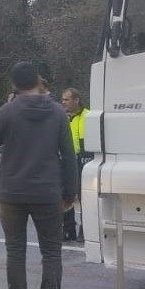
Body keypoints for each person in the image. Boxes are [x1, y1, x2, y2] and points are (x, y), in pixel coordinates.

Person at [0, 62, 77, 289]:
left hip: (12, 192)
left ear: (14, 84)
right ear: (37, 80)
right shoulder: (58, 112)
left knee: (15, 251)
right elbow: (68, 155)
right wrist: (70, 191)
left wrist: (5, 106)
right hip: (47, 191)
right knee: (51, 251)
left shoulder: (8, 110)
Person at [61, 87, 89, 242]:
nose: (63, 102)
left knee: (84, 197)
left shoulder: (87, 116)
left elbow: (87, 143)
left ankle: (85, 231)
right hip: (66, 160)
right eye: (63, 99)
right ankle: (68, 229)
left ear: (76, 100)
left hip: (83, 160)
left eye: (66, 99)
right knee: (66, 195)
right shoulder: (62, 117)